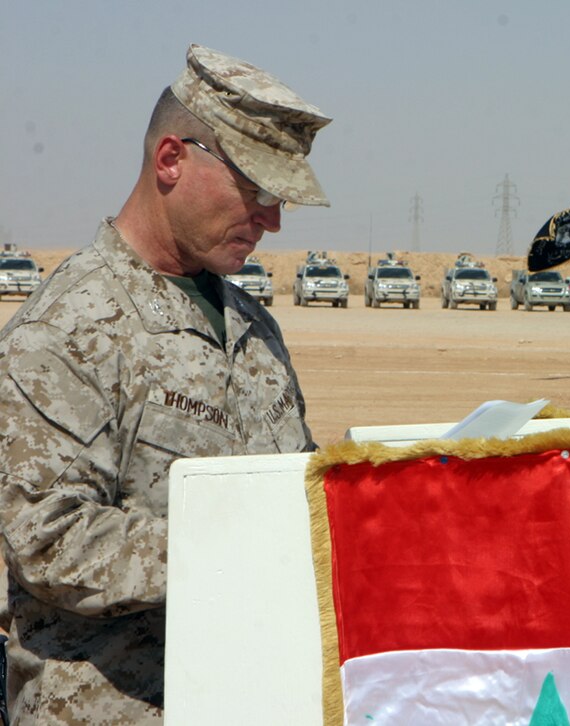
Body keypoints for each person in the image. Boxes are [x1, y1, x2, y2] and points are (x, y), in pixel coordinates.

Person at [0, 45, 331, 723]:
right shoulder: (64, 330)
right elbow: (49, 539)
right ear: (171, 161)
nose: (272, 219)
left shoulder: (253, 326)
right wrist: (240, 546)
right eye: (257, 190)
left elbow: (296, 486)